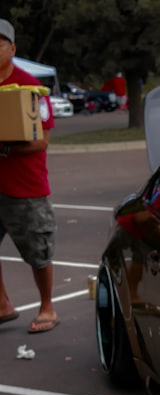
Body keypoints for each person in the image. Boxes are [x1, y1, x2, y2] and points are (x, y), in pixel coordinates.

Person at [0, 18, 59, 334]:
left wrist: (4, 146)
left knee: (38, 249)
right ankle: (2, 305)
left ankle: (47, 306)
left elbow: (41, 141)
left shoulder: (30, 87)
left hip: (25, 187)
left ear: (12, 48)